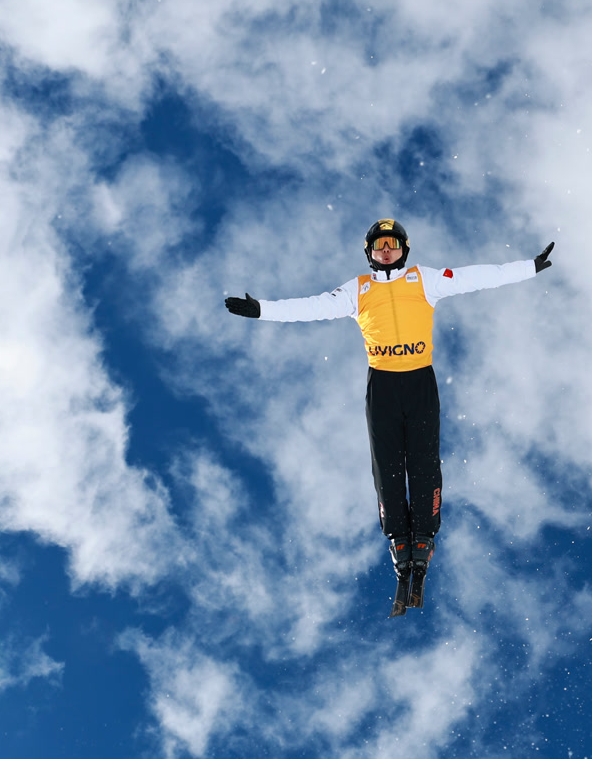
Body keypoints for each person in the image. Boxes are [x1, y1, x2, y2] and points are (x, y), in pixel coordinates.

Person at [225, 219, 555, 616]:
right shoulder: (358, 290)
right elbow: (312, 307)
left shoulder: (425, 280)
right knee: (387, 466)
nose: (386, 251)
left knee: (424, 462)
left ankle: (424, 535)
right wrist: (262, 310)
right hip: (382, 386)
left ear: (404, 250)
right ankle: (399, 538)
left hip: (420, 383)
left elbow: (476, 277)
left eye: (392, 245)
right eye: (379, 245)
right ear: (369, 253)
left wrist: (528, 267)